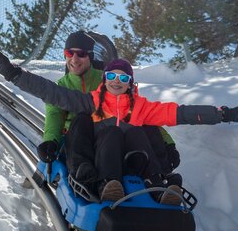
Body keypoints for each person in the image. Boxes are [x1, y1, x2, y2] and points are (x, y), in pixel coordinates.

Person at [0, 45, 238, 204]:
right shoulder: (91, 102)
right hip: (103, 160)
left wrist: (221, 113)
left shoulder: (141, 107)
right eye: (111, 75)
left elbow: (180, 113)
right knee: (111, 131)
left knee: (137, 131)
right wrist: (14, 73)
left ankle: (158, 185)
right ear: (105, 79)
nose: (116, 81)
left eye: (123, 78)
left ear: (130, 84)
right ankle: (107, 185)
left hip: (131, 158)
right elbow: (54, 94)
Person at [36, 31, 183, 181]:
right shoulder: (62, 86)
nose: (74, 58)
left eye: (81, 53)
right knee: (81, 119)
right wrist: (50, 140)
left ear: (90, 56)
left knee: (142, 127)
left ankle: (160, 176)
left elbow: (140, 111)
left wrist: (168, 142)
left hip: (110, 137)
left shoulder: (109, 80)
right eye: (69, 52)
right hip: (78, 140)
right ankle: (82, 172)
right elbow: (54, 114)